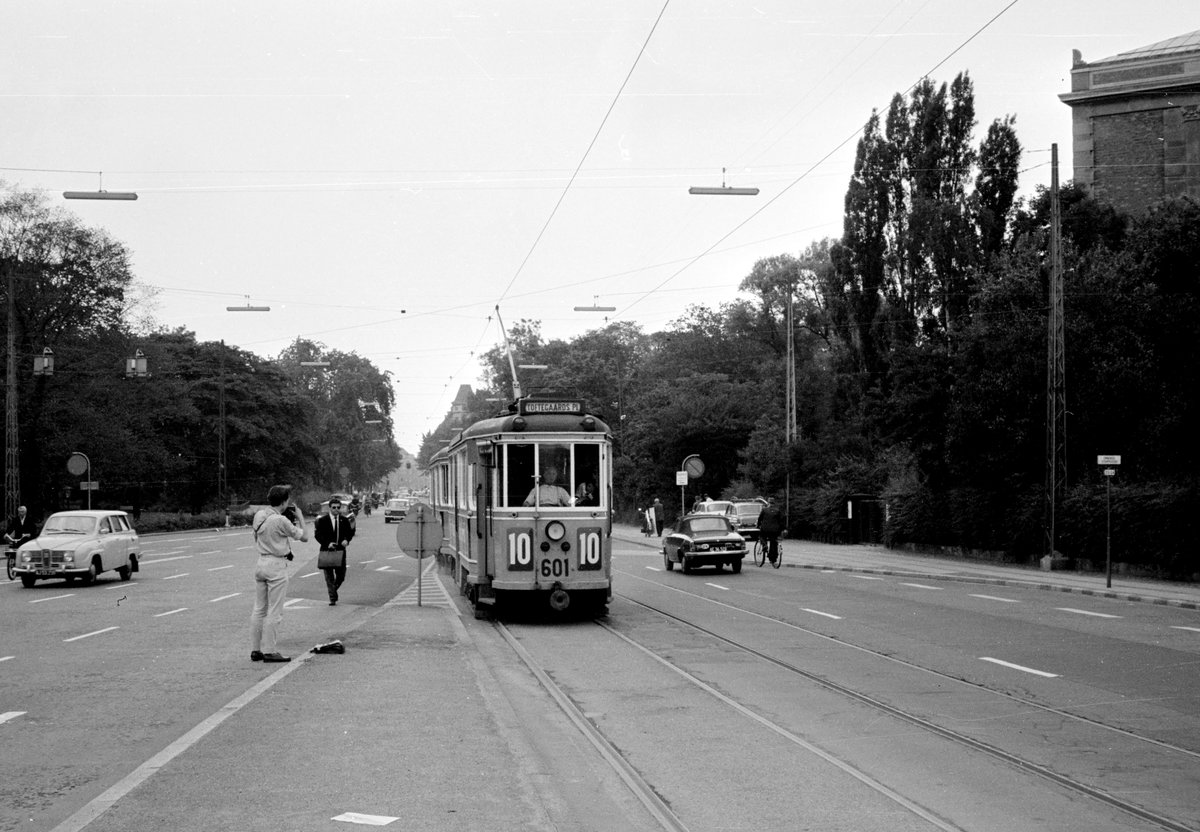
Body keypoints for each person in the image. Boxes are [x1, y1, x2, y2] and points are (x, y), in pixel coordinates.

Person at [249, 484, 308, 663]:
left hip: (261, 562)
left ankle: (256, 649)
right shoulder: (281, 521)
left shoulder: (259, 515)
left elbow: (256, 536)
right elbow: (304, 537)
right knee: (275, 610)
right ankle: (270, 650)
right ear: (284, 502)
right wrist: (300, 517)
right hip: (276, 564)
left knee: (259, 609)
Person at [315, 495, 355, 605]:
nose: (336, 510)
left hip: (340, 551)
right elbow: (317, 534)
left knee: (341, 575)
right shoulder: (322, 521)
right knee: (329, 577)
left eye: (338, 507)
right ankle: (332, 598)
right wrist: (327, 543)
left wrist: (346, 540)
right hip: (327, 551)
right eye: (334, 507)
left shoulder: (344, 520)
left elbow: (350, 532)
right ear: (330, 508)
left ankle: (333, 590)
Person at [757, 496, 784, 564]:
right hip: (775, 530)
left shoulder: (764, 510)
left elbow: (760, 519)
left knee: (761, 537)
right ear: (774, 503)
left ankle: (765, 545)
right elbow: (781, 521)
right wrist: (782, 529)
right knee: (773, 542)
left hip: (765, 529)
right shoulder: (778, 511)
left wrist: (758, 525)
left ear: (768, 503)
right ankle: (773, 558)